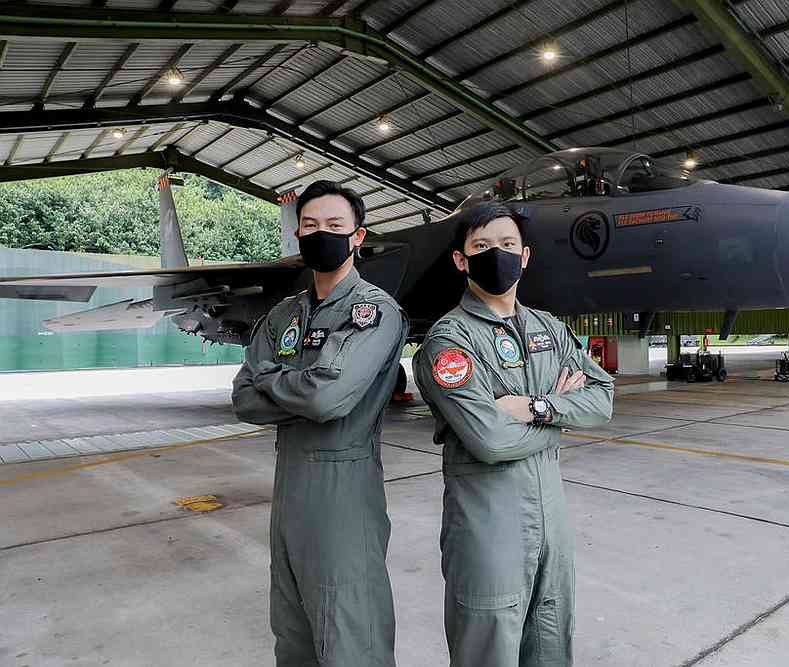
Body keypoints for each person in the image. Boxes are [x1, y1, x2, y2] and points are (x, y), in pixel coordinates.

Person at [413, 202, 614, 666]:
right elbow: (490, 439)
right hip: (488, 528)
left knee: (551, 642)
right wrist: (563, 418)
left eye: (507, 245)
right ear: (461, 260)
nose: (496, 255)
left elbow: (602, 397)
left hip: (552, 524)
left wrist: (538, 407)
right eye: (481, 247)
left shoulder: (549, 328)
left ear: (525, 257)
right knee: (490, 649)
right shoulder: (450, 341)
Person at [232, 180, 407, 667]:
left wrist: (277, 380)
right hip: (288, 492)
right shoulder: (284, 314)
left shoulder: (373, 311)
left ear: (358, 236)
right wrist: (303, 386)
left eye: (335, 225)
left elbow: (330, 397)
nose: (320, 234)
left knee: (351, 633)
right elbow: (243, 400)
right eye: (310, 226)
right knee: (293, 634)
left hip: (343, 493)